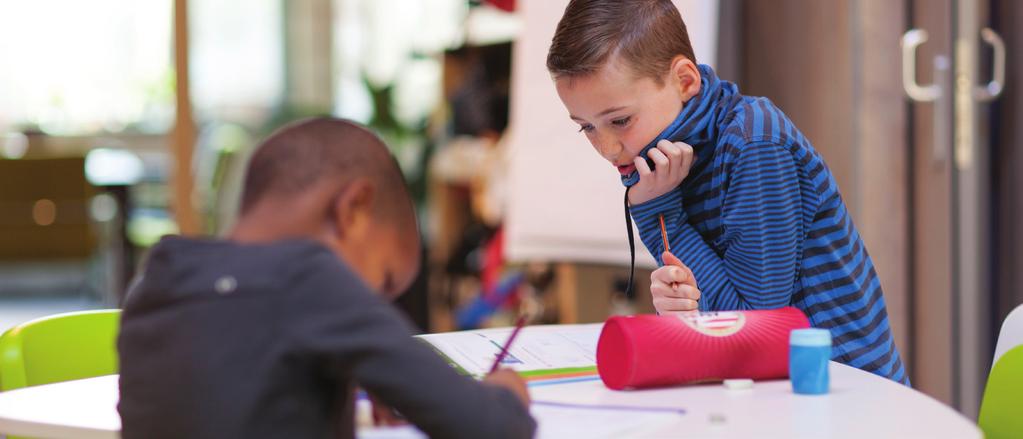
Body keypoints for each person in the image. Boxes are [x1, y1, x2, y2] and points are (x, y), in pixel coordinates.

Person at [546, 0, 907, 384]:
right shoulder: (666, 165)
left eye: (620, 121)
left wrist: (657, 214)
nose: (608, 148)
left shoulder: (754, 143)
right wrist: (681, 304)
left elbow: (749, 327)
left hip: (845, 392)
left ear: (685, 81)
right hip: (771, 389)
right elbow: (717, 325)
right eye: (586, 127)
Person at [117, 117, 537, 438]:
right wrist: (505, 393)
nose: (377, 309)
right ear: (352, 211)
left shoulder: (161, 274)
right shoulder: (311, 276)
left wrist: (354, 366)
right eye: (384, 283)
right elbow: (489, 428)